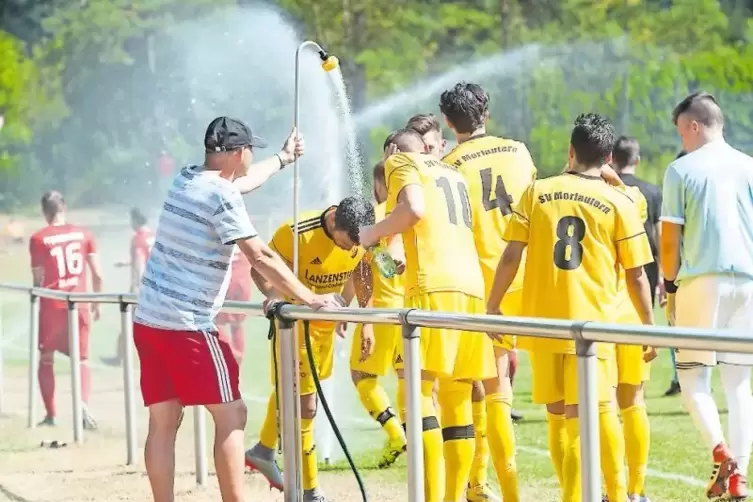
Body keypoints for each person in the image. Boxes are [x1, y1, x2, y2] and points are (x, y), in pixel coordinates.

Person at [133, 116, 345, 502]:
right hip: (187, 326)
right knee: (232, 416)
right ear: (236, 153)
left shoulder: (187, 178)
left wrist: (283, 158)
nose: (251, 156)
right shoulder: (222, 195)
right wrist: (309, 297)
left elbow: (242, 183)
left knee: (163, 422)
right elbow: (260, 256)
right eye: (250, 149)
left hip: (149, 320)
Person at [487, 113, 655, 502]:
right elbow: (636, 275)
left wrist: (494, 305)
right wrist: (648, 324)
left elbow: (511, 254)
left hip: (545, 325)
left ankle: (573, 493)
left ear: (570, 150)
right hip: (592, 326)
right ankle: (617, 494)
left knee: (559, 416)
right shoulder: (618, 201)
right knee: (595, 414)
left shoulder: (537, 191)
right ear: (609, 157)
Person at [360, 129, 496, 502]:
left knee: (417, 396)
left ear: (391, 152)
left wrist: (369, 235)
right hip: (471, 288)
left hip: (431, 288)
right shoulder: (452, 173)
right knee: (457, 400)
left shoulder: (401, 163)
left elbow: (412, 214)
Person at [439, 82, 537, 502]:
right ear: (487, 114)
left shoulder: (448, 163)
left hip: (481, 287)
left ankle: (500, 490)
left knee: (491, 388)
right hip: (526, 279)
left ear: (447, 121)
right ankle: (481, 484)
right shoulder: (518, 150)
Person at [244, 196, 374, 502]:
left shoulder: (361, 237)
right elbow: (258, 270)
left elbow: (362, 271)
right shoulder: (296, 232)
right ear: (332, 222)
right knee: (306, 406)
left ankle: (263, 450)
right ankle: (311, 490)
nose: (350, 249)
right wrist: (276, 297)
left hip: (324, 334)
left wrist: (355, 312)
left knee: (292, 392)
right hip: (295, 329)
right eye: (346, 243)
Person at [661, 91, 753, 500]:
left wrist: (670, 285)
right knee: (739, 386)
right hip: (748, 282)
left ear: (694, 127)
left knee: (693, 377)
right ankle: (740, 477)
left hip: (701, 281)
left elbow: (669, 239)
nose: (681, 140)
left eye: (682, 132)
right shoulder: (749, 166)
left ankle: (721, 451)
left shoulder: (681, 170)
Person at [611, 137, 662, 500]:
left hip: (597, 308)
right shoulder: (641, 196)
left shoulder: (583, 192)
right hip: (632, 305)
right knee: (634, 401)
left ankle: (612, 489)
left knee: (602, 406)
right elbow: (650, 248)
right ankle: (635, 489)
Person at [348, 160, 407, 469]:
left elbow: (363, 271)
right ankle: (418, 439)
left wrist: (364, 319)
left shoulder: (376, 218)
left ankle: (396, 433)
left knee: (361, 375)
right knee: (407, 377)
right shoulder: (412, 214)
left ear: (381, 186)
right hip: (412, 309)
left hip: (382, 307)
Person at [29, 191, 103, 430]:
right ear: (64, 207)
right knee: (81, 360)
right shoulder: (84, 234)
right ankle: (82, 405)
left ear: (44, 211)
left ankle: (51, 414)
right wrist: (96, 302)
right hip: (79, 302)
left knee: (47, 358)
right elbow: (98, 274)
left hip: (52, 303)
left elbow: (38, 279)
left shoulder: (39, 238)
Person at [104, 207, 154, 367]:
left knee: (128, 323)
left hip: (142, 289)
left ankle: (119, 358)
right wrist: (126, 262)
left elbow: (140, 262)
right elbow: (147, 257)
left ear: (135, 220)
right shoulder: (153, 235)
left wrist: (136, 287)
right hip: (156, 289)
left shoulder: (137, 238)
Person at [214, 248, 252, 362]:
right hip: (242, 273)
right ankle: (237, 354)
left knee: (214, 319)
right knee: (237, 322)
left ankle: (230, 352)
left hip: (225, 273)